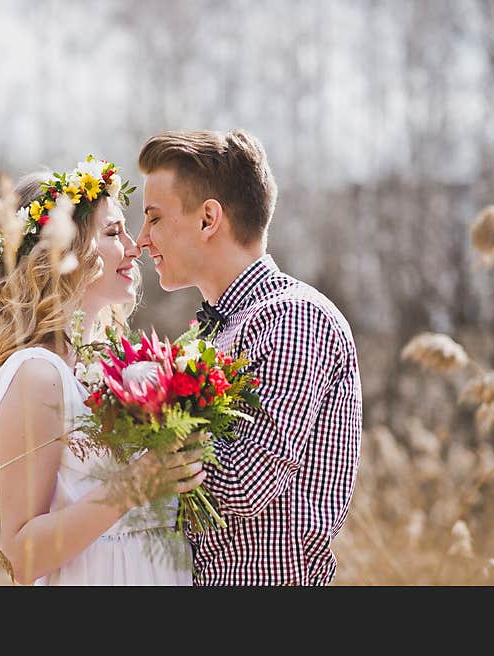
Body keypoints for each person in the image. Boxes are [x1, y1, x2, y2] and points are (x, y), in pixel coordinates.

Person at [0, 157, 204, 585]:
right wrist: (134, 484)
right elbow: (21, 558)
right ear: (63, 251)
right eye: (112, 232)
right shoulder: (37, 375)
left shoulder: (118, 365)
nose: (133, 246)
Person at [136, 130, 363, 585]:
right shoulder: (208, 332)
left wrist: (146, 429)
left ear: (208, 219)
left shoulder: (294, 318)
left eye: (154, 218)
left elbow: (245, 484)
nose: (142, 239)